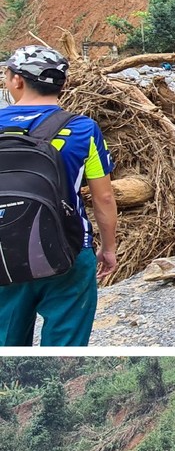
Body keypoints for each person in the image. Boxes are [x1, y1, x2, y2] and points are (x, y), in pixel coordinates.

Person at [0, 44, 117, 346]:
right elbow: (103, 198)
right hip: (68, 249)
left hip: (3, 254)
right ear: (62, 84)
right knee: (67, 345)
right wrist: (108, 248)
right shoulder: (83, 129)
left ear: (16, 80)